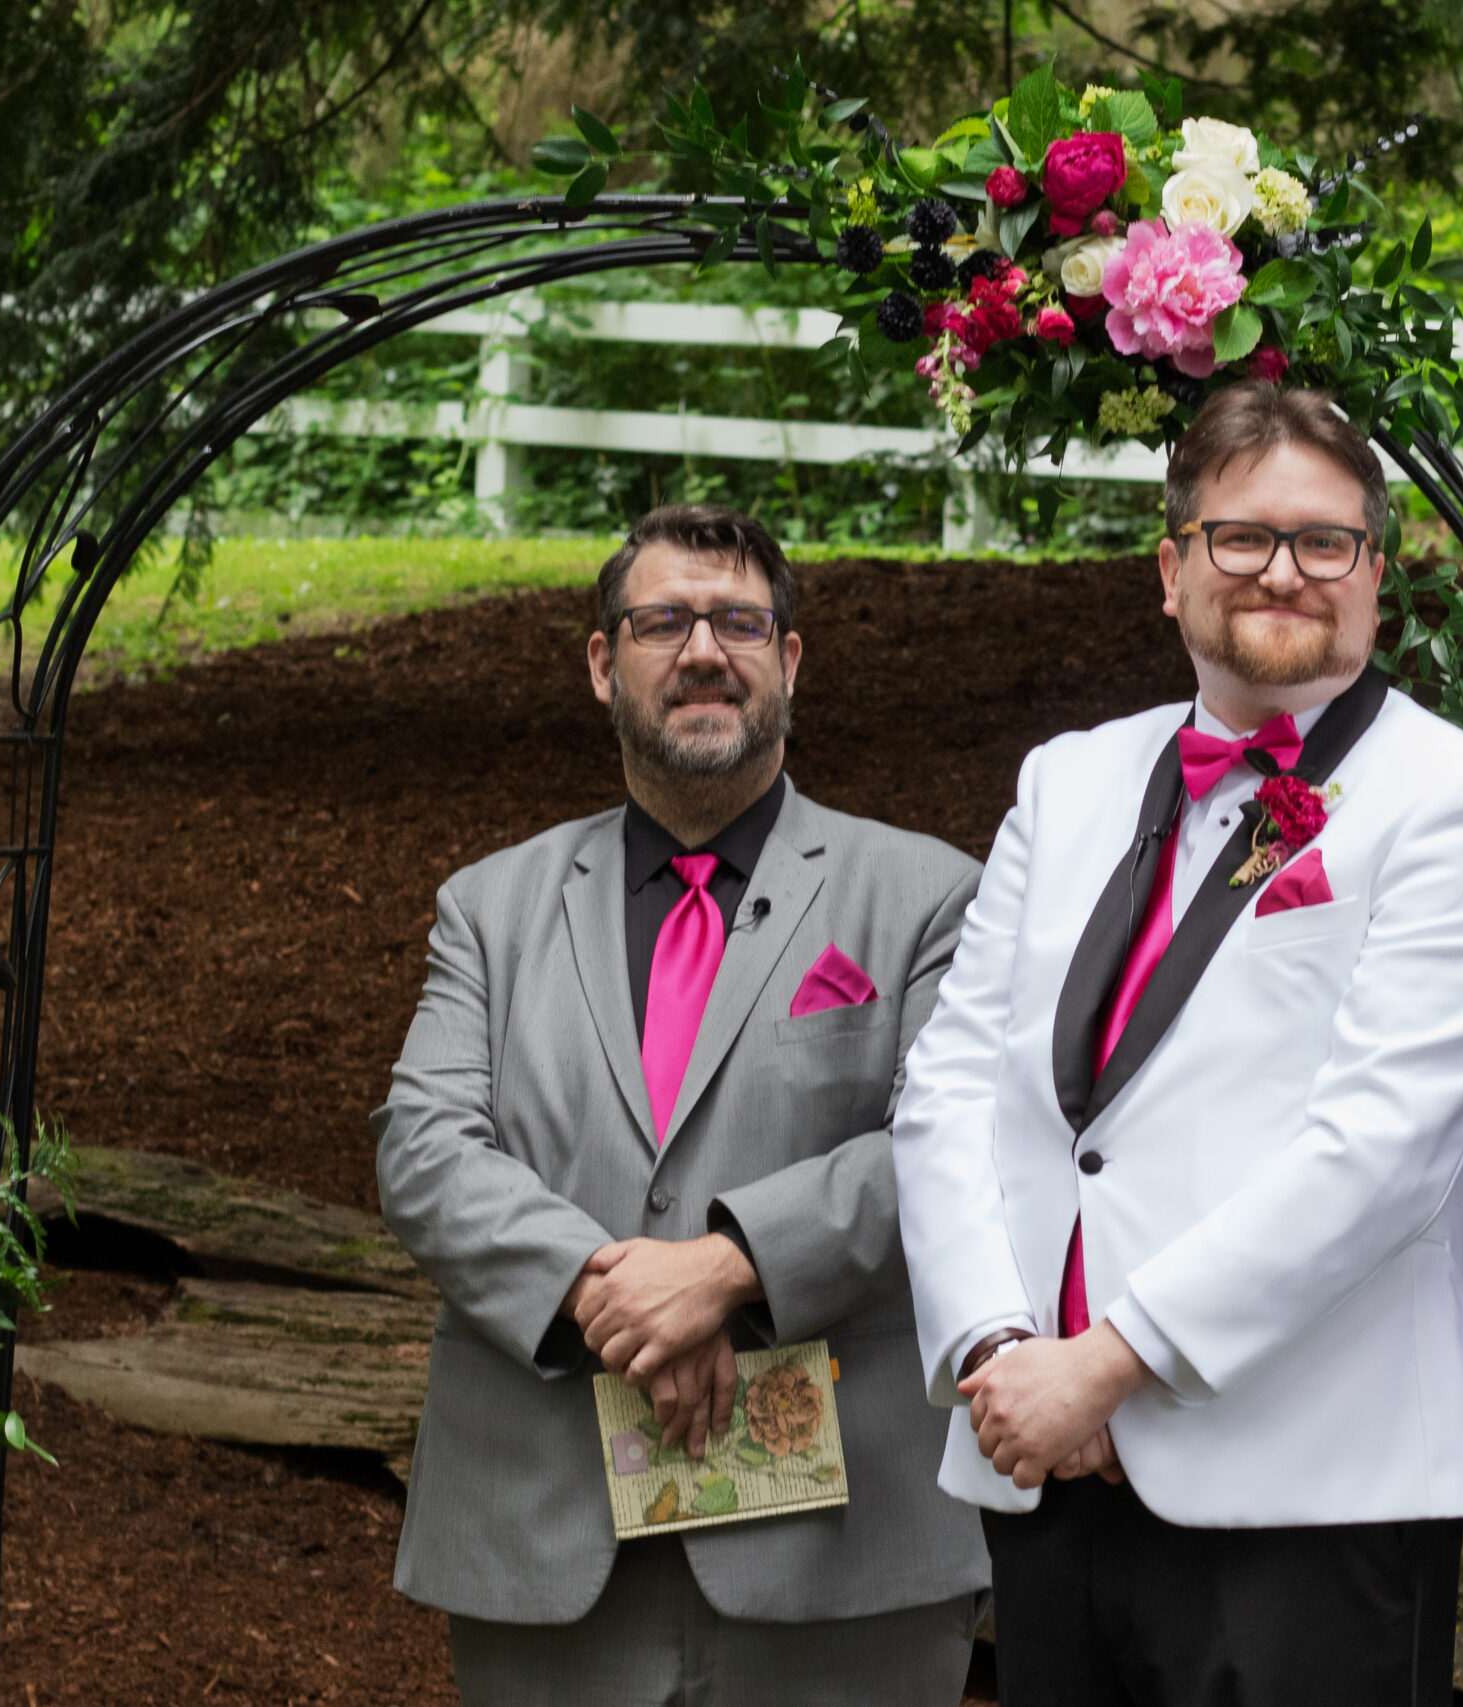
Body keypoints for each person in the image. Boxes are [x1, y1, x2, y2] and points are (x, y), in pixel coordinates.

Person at [893, 384, 1463, 1706]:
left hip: (1303, 1494)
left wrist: (1105, 1363)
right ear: (1173, 565)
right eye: (1241, 536)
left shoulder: (1461, 804)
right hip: (1042, 1476)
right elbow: (950, 1084)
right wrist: (995, 1347)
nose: (1284, 571)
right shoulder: (1066, 778)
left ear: (1375, 572)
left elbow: (1379, 1150)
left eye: (1325, 541)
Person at [374, 503, 990, 1706]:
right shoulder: (489, 909)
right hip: (546, 1545)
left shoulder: (930, 896)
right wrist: (613, 1291)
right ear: (605, 662)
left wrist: (728, 1267)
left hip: (843, 1560)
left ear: (788, 659)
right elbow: (423, 1149)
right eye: (662, 622)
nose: (702, 651)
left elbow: (955, 1145)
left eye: (739, 623)